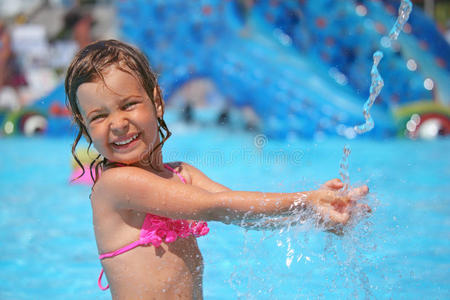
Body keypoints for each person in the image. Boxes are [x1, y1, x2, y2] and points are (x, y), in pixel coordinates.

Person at [65, 40, 369, 299]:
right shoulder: (116, 185)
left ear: (156, 101)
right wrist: (305, 198)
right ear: (85, 128)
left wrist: (318, 216)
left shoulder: (183, 174)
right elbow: (214, 206)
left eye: (129, 104)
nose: (118, 123)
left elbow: (243, 213)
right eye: (99, 117)